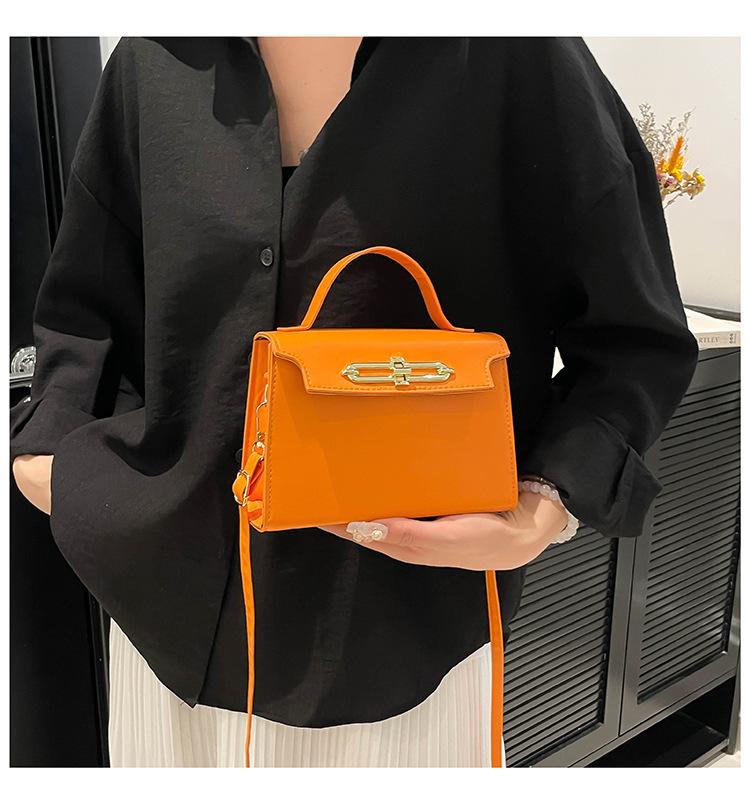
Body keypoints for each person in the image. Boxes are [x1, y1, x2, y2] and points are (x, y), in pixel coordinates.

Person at [10, 36, 699, 767]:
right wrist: (45, 456)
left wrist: (545, 504)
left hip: (405, 639)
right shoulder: (153, 61)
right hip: (165, 626)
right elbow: (86, 311)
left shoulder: (515, 53)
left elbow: (636, 335)